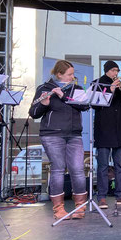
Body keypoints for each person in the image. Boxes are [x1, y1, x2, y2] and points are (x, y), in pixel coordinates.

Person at [29, 60, 89, 220]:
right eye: (69, 74)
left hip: (74, 134)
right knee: (58, 168)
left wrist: (64, 96)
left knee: (77, 169)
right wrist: (43, 104)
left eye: (73, 73)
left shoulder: (76, 89)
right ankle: (58, 209)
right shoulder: (44, 88)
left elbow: (84, 106)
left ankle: (80, 207)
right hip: (52, 134)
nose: (72, 77)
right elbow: (34, 112)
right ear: (59, 74)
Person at [93, 61, 121, 208]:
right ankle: (102, 197)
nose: (115, 73)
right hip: (104, 129)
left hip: (120, 129)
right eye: (113, 70)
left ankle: (120, 195)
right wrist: (110, 89)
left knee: (120, 166)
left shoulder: (120, 85)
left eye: (117, 70)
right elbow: (95, 104)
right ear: (106, 71)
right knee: (103, 166)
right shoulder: (97, 83)